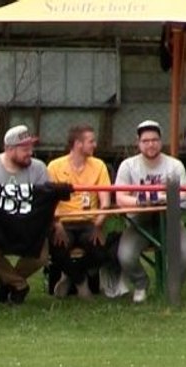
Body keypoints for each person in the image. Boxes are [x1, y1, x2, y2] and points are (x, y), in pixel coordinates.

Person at [0, 125, 53, 304]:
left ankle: (7, 280)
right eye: (25, 148)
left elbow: (44, 202)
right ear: (8, 149)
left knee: (41, 255)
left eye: (31, 147)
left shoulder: (39, 169)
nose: (30, 152)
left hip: (28, 228)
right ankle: (18, 284)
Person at [114, 120, 186, 304]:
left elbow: (184, 194)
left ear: (160, 141)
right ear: (138, 143)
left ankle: (171, 287)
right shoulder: (128, 166)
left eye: (155, 140)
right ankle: (141, 283)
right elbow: (120, 198)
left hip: (170, 220)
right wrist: (144, 200)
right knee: (125, 256)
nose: (151, 144)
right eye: (146, 140)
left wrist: (165, 198)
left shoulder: (174, 165)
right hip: (139, 222)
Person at [47, 124, 113, 298]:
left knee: (101, 251)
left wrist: (99, 222)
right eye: (91, 141)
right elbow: (47, 202)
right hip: (63, 222)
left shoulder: (99, 165)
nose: (95, 145)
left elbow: (105, 201)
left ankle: (71, 276)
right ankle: (81, 283)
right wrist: (56, 224)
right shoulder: (54, 167)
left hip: (89, 221)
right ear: (78, 144)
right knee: (56, 248)